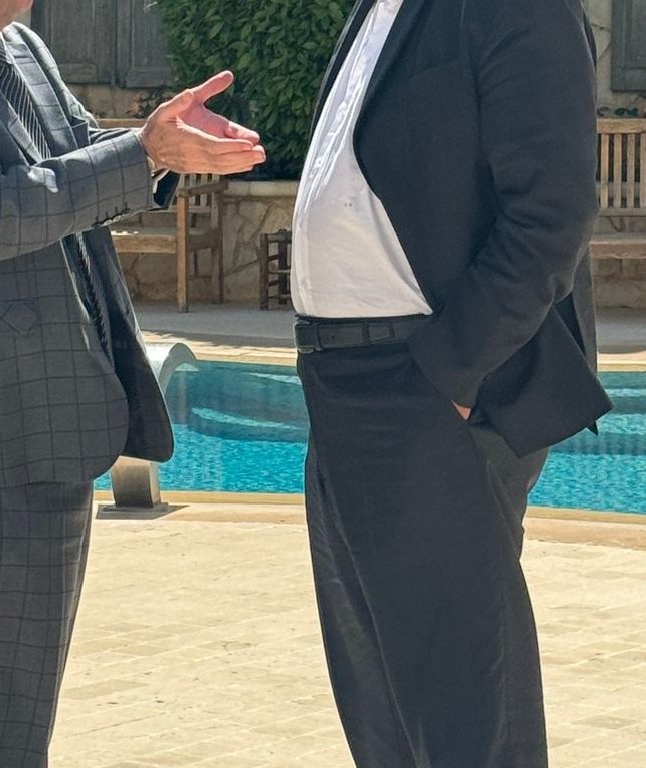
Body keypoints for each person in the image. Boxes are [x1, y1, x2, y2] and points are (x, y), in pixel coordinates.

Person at [0, 1, 264, 765]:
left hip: (42, 422)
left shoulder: (19, 46)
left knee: (12, 706)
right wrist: (141, 152)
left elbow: (75, 152)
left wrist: (162, 147)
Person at [291, 0, 612, 765]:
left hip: (427, 383)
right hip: (341, 381)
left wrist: (454, 373)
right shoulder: (376, 10)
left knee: (468, 719)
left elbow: (552, 214)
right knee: (382, 714)